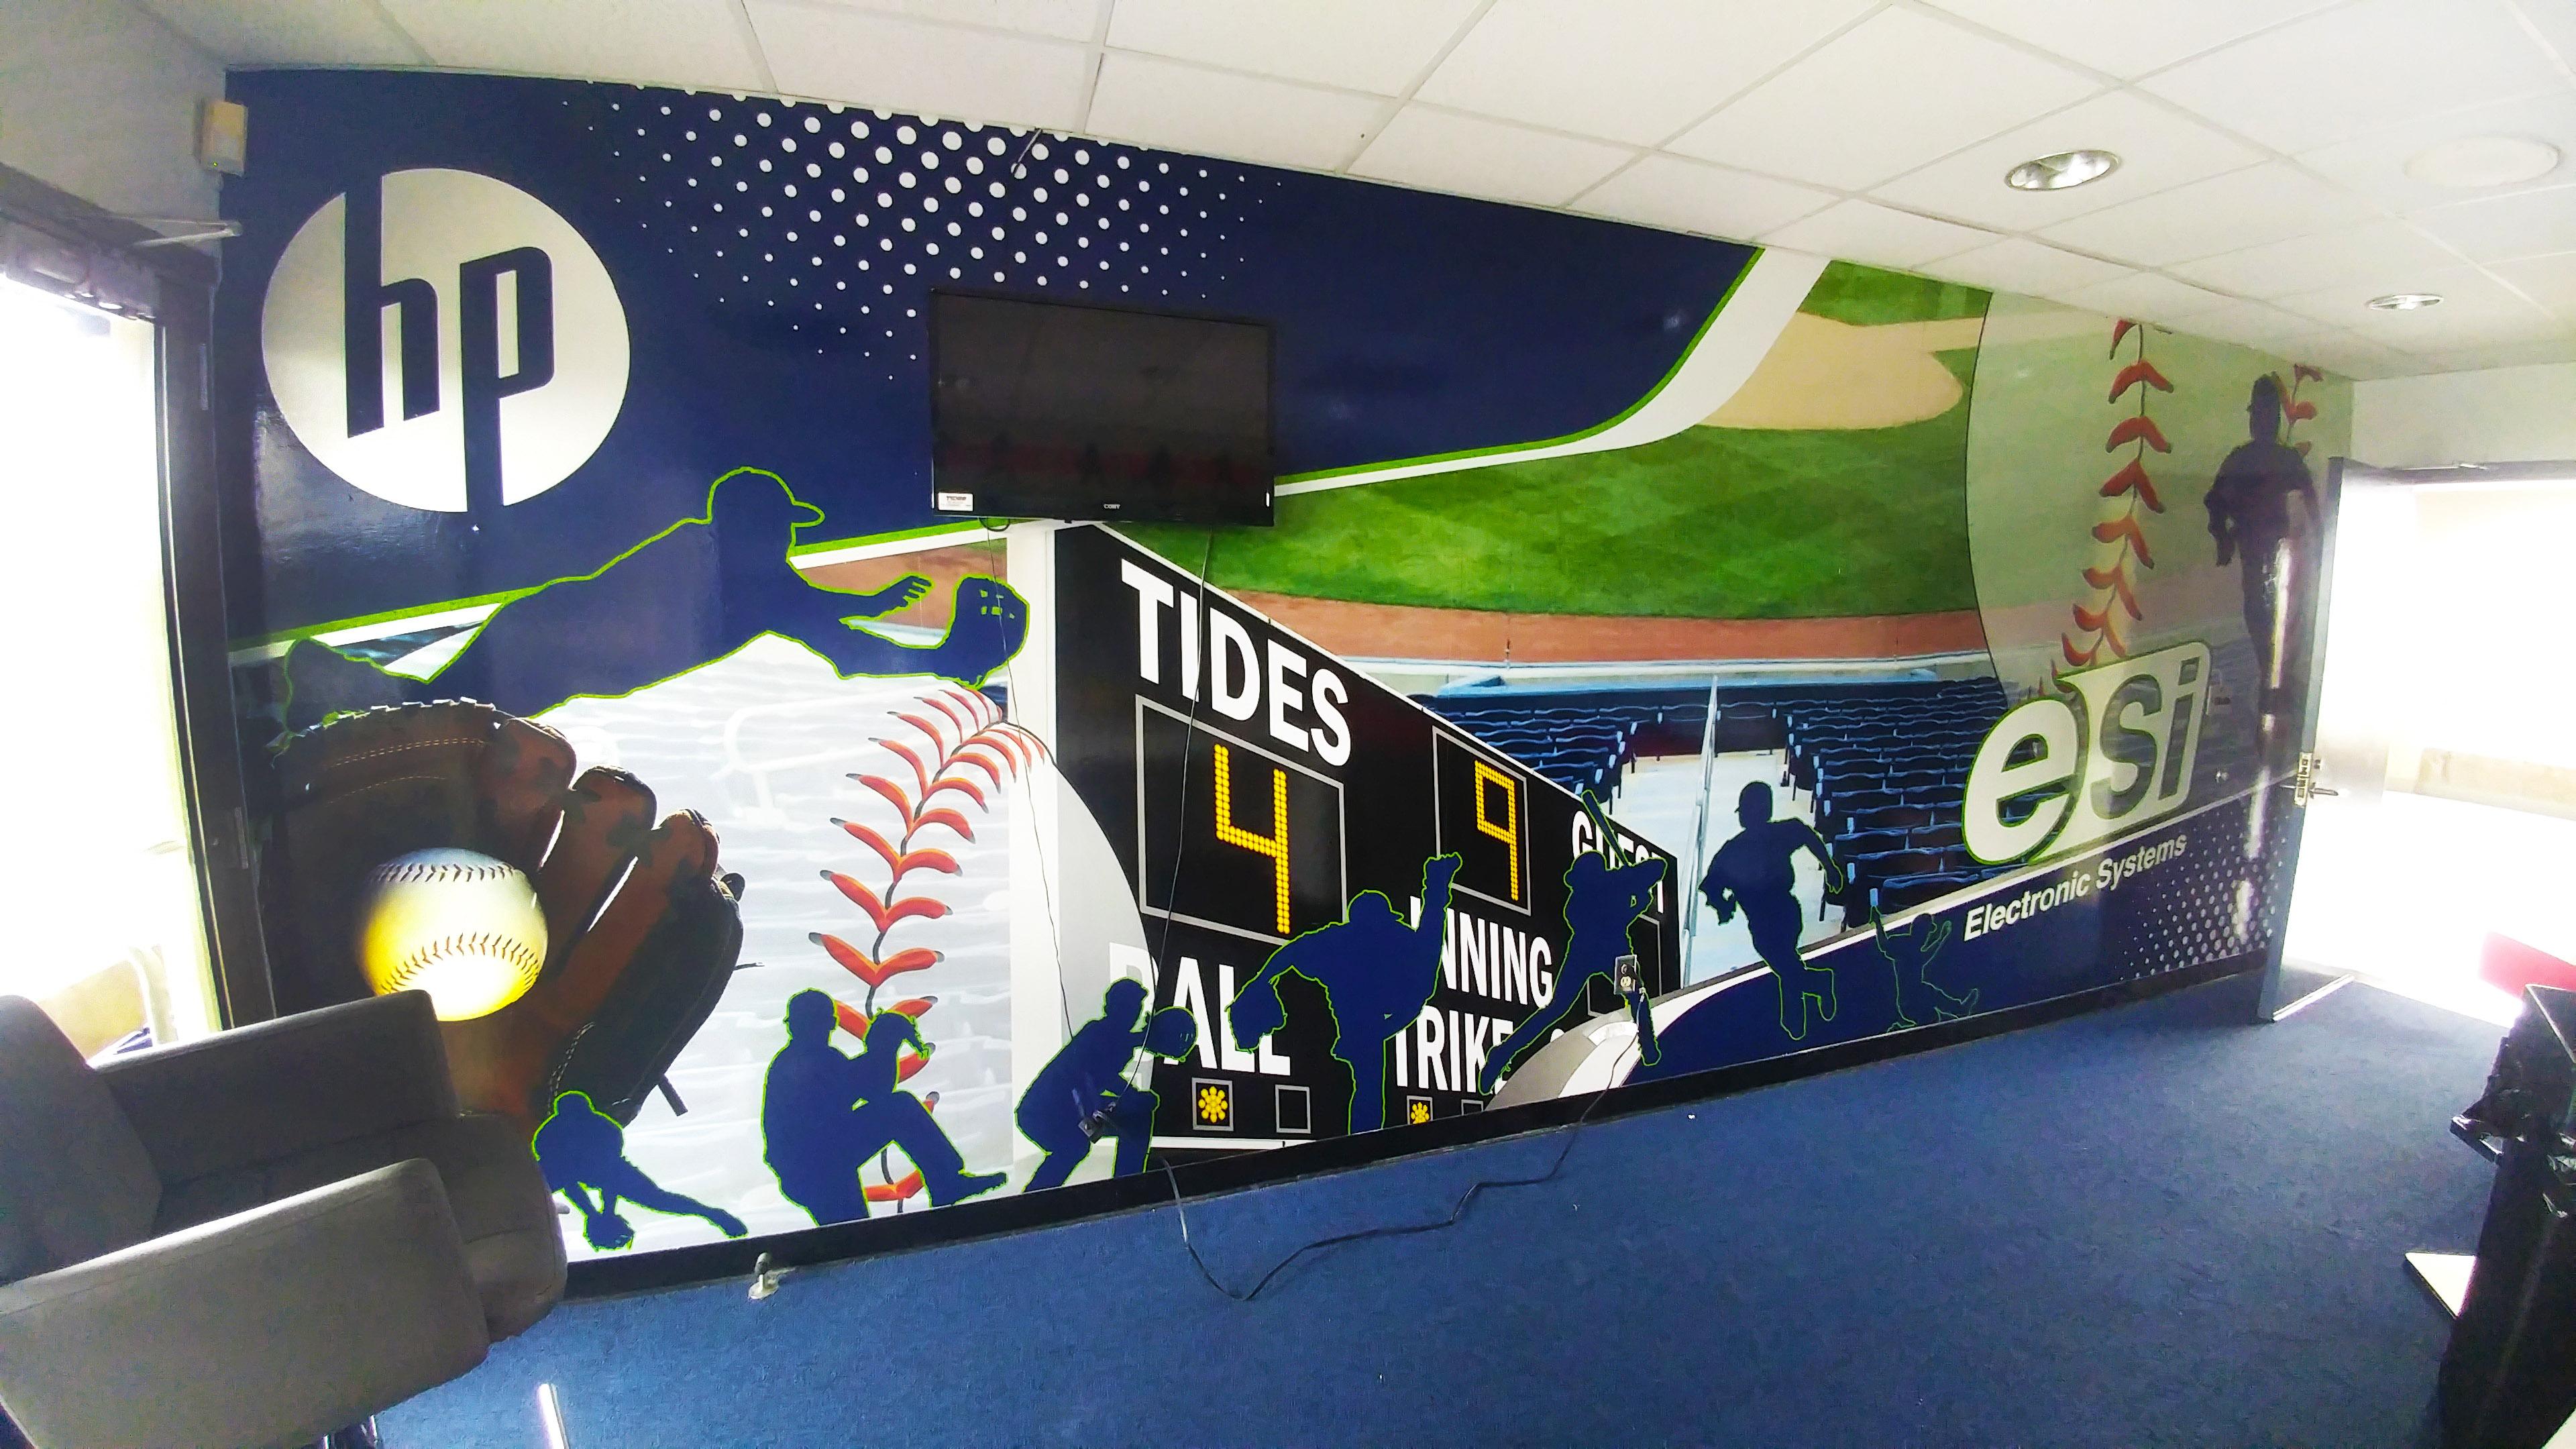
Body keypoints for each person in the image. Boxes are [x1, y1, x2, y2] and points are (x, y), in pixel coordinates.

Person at [281, 467, 1028, 728]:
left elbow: (806, 608)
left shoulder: (711, 551)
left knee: (439, 707)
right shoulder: (748, 578)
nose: (786, 540)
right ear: (751, 527)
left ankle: (339, 691)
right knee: (446, 719)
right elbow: (839, 643)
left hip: (534, 629)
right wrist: (949, 664)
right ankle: (340, 697)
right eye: (779, 527)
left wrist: (883, 601)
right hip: (547, 653)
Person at [1232, 855, 1463, 1132]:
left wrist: (1264, 979)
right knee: (1366, 1077)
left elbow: (1417, 996)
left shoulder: (1386, 943)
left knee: (1368, 1073)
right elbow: (1291, 953)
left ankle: (1436, 885)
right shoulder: (1341, 943)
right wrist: (1262, 981)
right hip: (1363, 1010)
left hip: (1383, 1002)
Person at [761, 989, 1004, 1226]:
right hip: (818, 1167)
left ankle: (947, 1182)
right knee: (853, 1234)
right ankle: (947, 1183)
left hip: (823, 1161)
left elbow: (869, 1090)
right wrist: (882, 1047)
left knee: (900, 1107)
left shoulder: (814, 1060)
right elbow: (867, 1089)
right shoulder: (804, 1064)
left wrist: (882, 1048)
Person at [1481, 828, 1666, 1095]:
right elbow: (1616, 915)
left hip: (1605, 951)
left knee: (1632, 998)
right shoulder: (1599, 890)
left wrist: (1633, 894)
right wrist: (1634, 895)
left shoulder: (1605, 887)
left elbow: (1657, 869)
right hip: (1599, 951)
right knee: (1571, 1007)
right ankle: (1502, 1054)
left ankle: (1648, 1048)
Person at [2204, 375, 2319, 711]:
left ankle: (2276, 682)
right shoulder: (2245, 459)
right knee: (2262, 612)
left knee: (2276, 613)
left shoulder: (2277, 459)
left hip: (2278, 550)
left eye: (2264, 415)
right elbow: (2215, 502)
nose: (2261, 421)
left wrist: (2321, 545)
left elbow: (2312, 504)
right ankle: (2271, 679)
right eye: (2259, 414)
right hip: (2257, 546)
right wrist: (2223, 538)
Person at [1016, 979, 1197, 1191]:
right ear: (1113, 1007)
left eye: (1137, 1007)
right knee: (1075, 1146)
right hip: (1043, 1113)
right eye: (1130, 1007)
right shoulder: (1099, 1033)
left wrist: (1151, 1040)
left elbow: (1127, 1046)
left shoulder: (1115, 1039)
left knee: (1133, 1119)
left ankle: (1126, 1187)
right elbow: (1100, 1072)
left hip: (1062, 1108)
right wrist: (1133, 1095)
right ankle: (1035, 1198)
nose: (1134, 1014)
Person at [1701, 782, 1844, 1041]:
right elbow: (1806, 834)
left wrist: (1724, 907)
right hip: (1780, 914)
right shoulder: (1776, 834)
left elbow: (1712, 888)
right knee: (1787, 962)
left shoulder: (1733, 849)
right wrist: (1829, 867)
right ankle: (1801, 1011)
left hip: (1772, 916)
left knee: (1785, 964)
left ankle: (1812, 997)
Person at [531, 1089, 747, 1250]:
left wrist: (606, 1213)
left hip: (606, 1168)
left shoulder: (604, 1129)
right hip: (570, 1169)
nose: (575, 1126)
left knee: (658, 1200)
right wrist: (592, 1214)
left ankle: (712, 1214)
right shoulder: (549, 1135)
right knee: (530, 1189)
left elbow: (611, 1175)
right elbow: (567, 1181)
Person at [1874, 908, 1976, 1030]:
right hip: (1910, 1001)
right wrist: (1878, 924)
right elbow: (1885, 945)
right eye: (1926, 932)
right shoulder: (1905, 945)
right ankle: (1960, 1010)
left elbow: (1924, 955)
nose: (1927, 936)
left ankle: (1959, 1009)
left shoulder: (1914, 949)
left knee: (1932, 1014)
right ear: (1920, 931)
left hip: (1915, 999)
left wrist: (1941, 937)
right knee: (1928, 995)